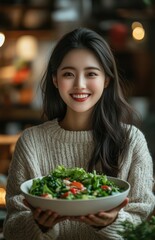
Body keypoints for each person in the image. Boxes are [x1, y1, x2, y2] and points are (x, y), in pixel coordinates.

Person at [3, 28, 155, 240]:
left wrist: (113, 223)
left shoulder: (131, 141)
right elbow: (11, 227)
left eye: (91, 73)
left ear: (107, 80)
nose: (79, 85)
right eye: (68, 74)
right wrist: (39, 226)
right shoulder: (31, 142)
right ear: (55, 79)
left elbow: (142, 224)